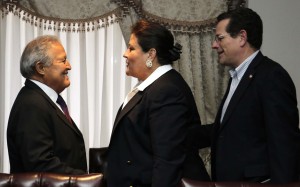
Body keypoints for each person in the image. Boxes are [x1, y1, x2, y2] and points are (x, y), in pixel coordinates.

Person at [106, 19, 210, 187]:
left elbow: (167, 160)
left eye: (131, 48)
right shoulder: (154, 87)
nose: (125, 54)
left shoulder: (166, 90)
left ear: (151, 54)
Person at [207, 7, 300, 183]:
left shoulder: (271, 76)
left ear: (242, 37)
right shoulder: (237, 76)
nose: (214, 45)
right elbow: (235, 128)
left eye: (220, 38)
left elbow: (284, 144)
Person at [7, 35, 87, 174]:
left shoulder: (41, 100)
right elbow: (40, 166)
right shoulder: (31, 105)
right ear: (41, 68)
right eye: (63, 60)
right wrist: (89, 180)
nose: (69, 66)